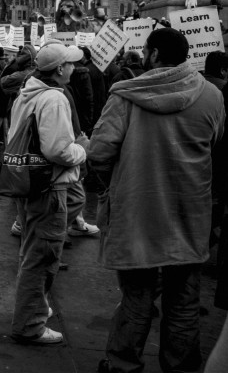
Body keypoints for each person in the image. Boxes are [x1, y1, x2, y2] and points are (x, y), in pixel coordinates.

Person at [91, 28, 225, 373]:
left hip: (139, 209)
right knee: (184, 300)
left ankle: (123, 364)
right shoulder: (212, 95)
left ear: (152, 54)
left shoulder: (126, 94)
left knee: (137, 297)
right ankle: (180, 367)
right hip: (191, 209)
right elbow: (215, 146)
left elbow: (100, 152)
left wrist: (116, 184)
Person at [8, 42, 88, 345]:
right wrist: (83, 150)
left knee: (33, 251)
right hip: (48, 185)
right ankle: (30, 324)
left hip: (29, 182)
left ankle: (34, 309)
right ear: (58, 69)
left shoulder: (29, 90)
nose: (73, 67)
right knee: (42, 256)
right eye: (69, 63)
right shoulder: (54, 98)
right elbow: (58, 150)